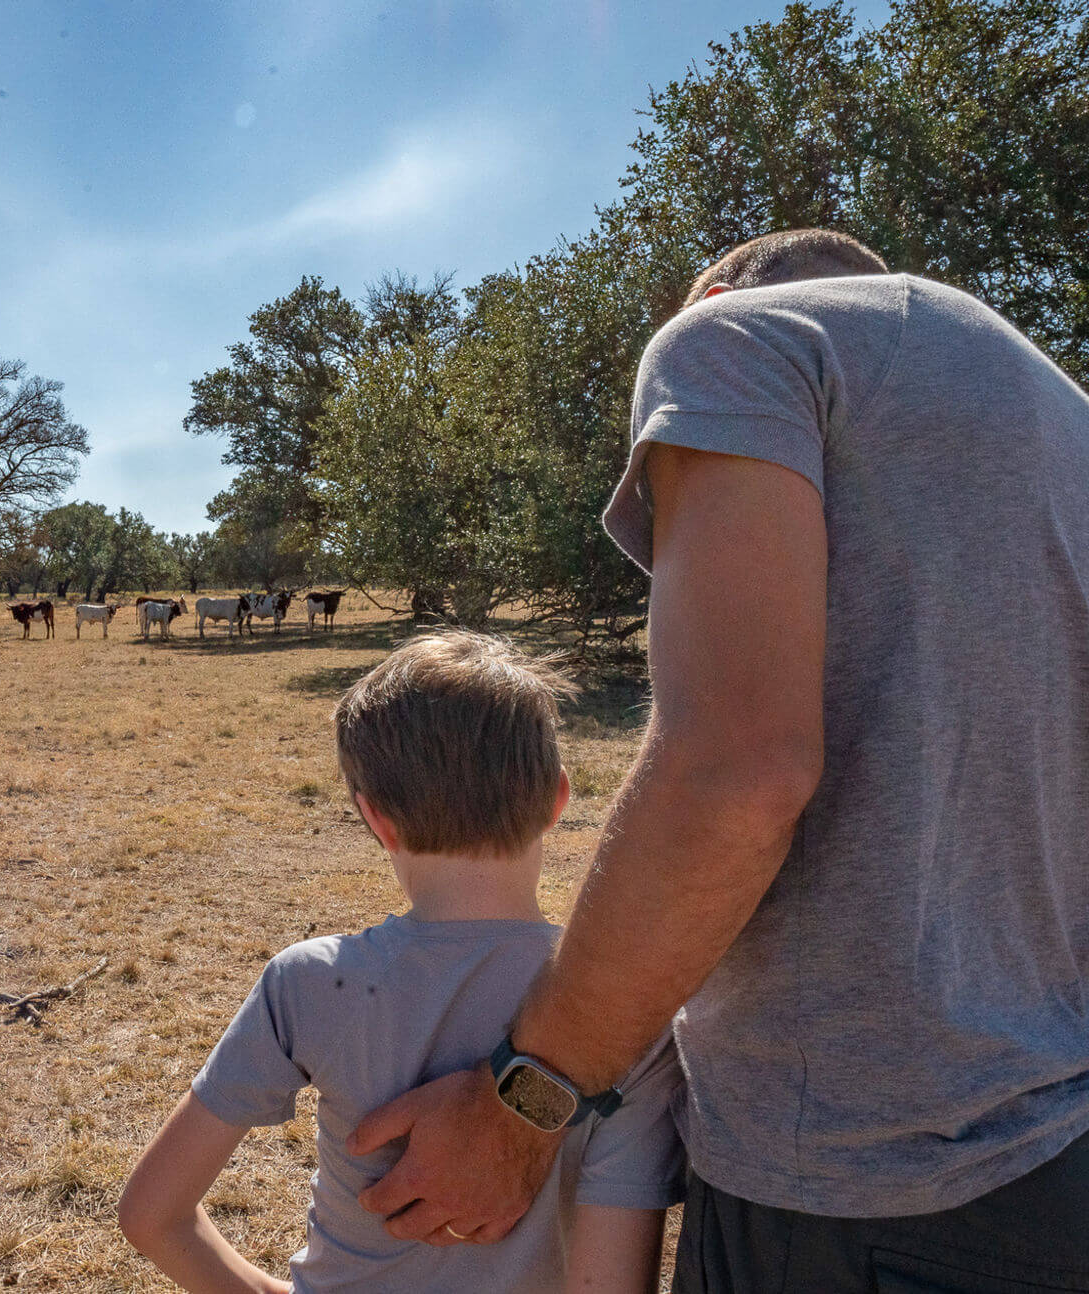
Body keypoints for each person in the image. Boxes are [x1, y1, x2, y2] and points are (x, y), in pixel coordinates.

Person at [347, 229, 1089, 1291]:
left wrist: (525, 1102)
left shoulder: (739, 339)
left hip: (847, 1187)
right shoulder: (1058, 417)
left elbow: (736, 775)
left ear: (708, 292)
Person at [119, 630, 684, 1293]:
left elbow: (152, 1216)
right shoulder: (631, 1023)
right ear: (557, 800)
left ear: (375, 820)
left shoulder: (308, 983)